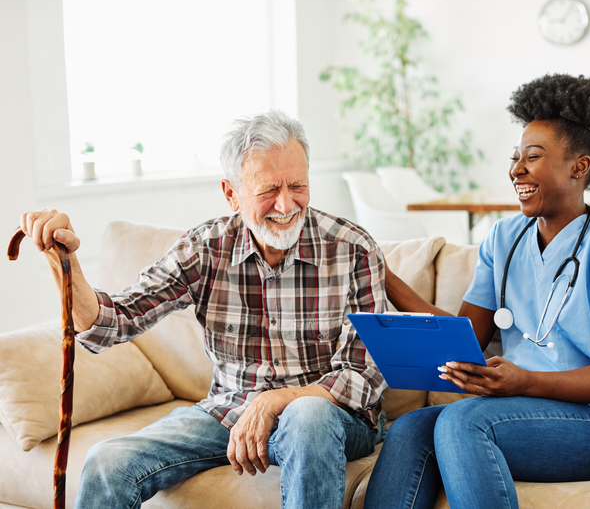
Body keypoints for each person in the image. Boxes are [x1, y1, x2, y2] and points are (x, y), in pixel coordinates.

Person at [20, 110, 387, 509]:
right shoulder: (204, 248)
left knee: (306, 418)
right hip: (231, 408)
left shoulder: (353, 249)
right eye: (268, 190)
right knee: (108, 462)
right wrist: (65, 264)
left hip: (332, 417)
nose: (287, 203)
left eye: (297, 185)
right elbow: (112, 323)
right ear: (231, 193)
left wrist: (277, 400)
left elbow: (365, 374)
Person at [364, 73, 590, 508]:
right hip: (518, 410)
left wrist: (526, 380)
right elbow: (466, 337)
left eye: (532, 157)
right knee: (409, 429)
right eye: (516, 157)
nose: (516, 169)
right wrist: (382, 275)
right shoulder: (504, 238)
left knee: (463, 422)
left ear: (580, 167)